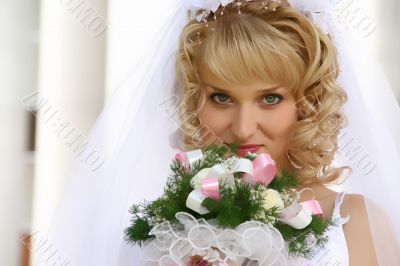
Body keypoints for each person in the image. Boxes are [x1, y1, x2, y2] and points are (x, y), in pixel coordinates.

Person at [37, 0, 400, 265]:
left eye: (270, 98)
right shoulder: (156, 234)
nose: (243, 128)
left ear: (307, 102)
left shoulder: (356, 224)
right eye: (221, 97)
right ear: (194, 100)